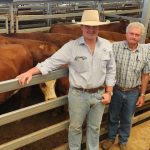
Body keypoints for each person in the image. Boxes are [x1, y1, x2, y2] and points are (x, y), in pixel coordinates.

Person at [17, 10, 116, 150]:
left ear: (99, 28)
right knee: (75, 127)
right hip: (78, 94)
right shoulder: (71, 47)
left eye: (94, 27)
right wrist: (31, 71)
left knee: (95, 127)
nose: (91, 30)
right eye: (87, 26)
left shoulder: (107, 45)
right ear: (81, 27)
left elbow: (111, 69)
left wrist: (109, 92)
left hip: (100, 94)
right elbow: (51, 62)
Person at [101, 22, 150, 150]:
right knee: (113, 116)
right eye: (131, 33)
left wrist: (143, 94)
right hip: (116, 89)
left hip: (133, 91)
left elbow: (145, 74)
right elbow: (104, 67)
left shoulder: (146, 51)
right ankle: (111, 138)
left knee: (127, 118)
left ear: (141, 36)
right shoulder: (114, 47)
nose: (134, 37)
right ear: (126, 34)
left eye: (137, 35)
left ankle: (123, 140)